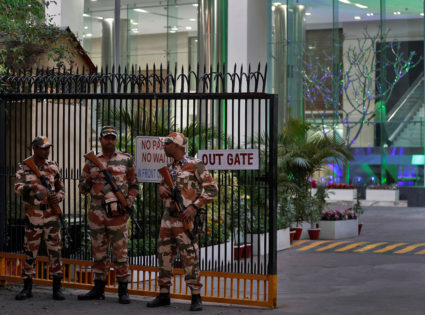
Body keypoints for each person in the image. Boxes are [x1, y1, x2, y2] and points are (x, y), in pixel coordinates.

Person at [147, 132, 218, 311]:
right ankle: (164, 294)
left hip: (185, 219)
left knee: (189, 257)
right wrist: (161, 189)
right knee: (163, 255)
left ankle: (195, 295)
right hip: (167, 218)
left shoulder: (195, 165)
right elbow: (163, 186)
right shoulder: (169, 168)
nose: (164, 147)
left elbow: (213, 190)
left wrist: (194, 206)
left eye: (167, 144)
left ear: (177, 146)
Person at [78, 126, 139, 304]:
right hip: (97, 213)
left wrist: (129, 201)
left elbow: (135, 186)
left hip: (118, 215)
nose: (110, 140)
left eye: (113, 138)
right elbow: (82, 189)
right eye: (107, 138)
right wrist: (89, 180)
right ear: (100, 140)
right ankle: (98, 288)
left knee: (120, 253)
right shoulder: (91, 161)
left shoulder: (126, 160)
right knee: (98, 252)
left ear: (116, 140)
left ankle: (123, 290)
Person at [14, 136, 65, 301]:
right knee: (30, 251)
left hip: (51, 215)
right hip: (33, 215)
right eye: (43, 148)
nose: (47, 150)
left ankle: (57, 289)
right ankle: (27, 288)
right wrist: (34, 186)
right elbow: (18, 188)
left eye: (48, 147)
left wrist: (58, 197)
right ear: (35, 148)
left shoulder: (53, 167)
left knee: (55, 250)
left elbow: (61, 188)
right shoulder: (24, 166)